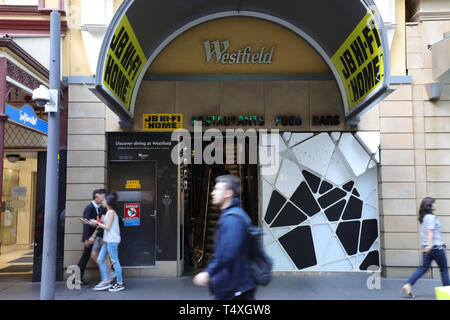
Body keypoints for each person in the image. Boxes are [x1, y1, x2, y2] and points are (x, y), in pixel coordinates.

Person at [193, 174, 256, 300]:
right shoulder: (229, 215)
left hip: (236, 288)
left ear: (228, 193)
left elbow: (228, 252)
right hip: (231, 286)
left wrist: (209, 273)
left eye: (217, 189)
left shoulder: (233, 219)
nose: (212, 193)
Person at [402, 197, 450, 298]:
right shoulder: (431, 217)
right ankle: (447, 294)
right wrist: (431, 244)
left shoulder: (423, 217)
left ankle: (408, 285)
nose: (435, 205)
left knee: (423, 268)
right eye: (434, 204)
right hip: (435, 248)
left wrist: (440, 242)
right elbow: (430, 231)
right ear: (429, 206)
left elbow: (432, 232)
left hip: (427, 247)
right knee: (444, 269)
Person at [90, 193, 125, 292]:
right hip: (107, 240)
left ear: (109, 202)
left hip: (112, 241)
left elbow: (107, 227)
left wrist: (97, 223)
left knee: (115, 261)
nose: (103, 201)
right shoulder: (109, 212)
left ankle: (119, 283)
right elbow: (103, 225)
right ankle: (106, 281)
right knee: (100, 259)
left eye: (104, 200)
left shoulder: (111, 213)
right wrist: (91, 222)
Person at [77, 189, 107, 285]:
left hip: (94, 237)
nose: (103, 199)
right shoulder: (90, 208)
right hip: (90, 238)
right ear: (97, 197)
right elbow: (86, 225)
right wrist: (87, 238)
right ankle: (77, 278)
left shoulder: (97, 207)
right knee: (85, 257)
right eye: (102, 196)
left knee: (87, 256)